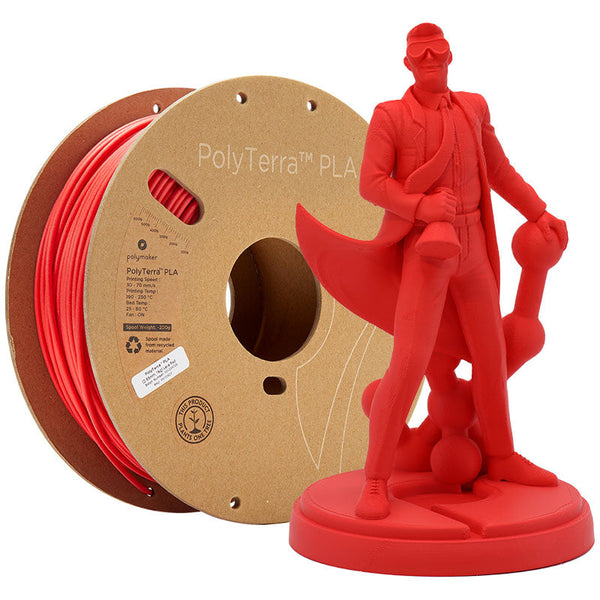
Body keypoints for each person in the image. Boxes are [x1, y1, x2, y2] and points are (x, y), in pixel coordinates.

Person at [354, 22, 568, 519]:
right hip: (426, 250)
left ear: (451, 56)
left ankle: (502, 456)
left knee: (491, 356)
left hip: (473, 246)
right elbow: (371, 183)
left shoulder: (472, 108)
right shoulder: (390, 116)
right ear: (408, 64)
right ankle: (376, 478)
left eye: (439, 53)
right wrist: (420, 206)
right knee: (408, 362)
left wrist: (538, 212)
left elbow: (499, 171)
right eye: (421, 56)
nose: (431, 61)